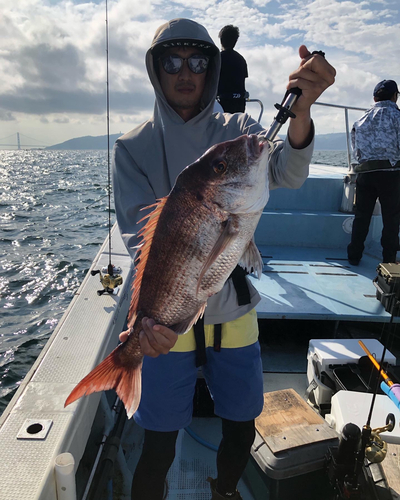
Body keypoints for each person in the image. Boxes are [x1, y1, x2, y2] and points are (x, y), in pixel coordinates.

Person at [112, 18, 335, 500]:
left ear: (212, 67)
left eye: (197, 60)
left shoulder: (239, 130)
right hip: (165, 321)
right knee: (159, 442)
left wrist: (303, 110)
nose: (185, 71)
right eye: (172, 61)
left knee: (241, 426)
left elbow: (287, 171)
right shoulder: (131, 147)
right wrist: (145, 324)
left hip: (231, 307)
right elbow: (137, 236)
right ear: (156, 69)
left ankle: (224, 492)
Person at [347, 79, 400, 266]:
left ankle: (354, 256)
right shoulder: (397, 116)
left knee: (361, 216)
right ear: (395, 96)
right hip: (391, 173)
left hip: (366, 173)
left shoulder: (361, 119)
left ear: (375, 97)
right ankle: (389, 261)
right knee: (391, 219)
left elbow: (357, 150)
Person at [217, 25, 248, 113]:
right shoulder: (241, 60)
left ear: (221, 40)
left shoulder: (216, 59)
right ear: (235, 41)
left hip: (220, 106)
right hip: (239, 106)